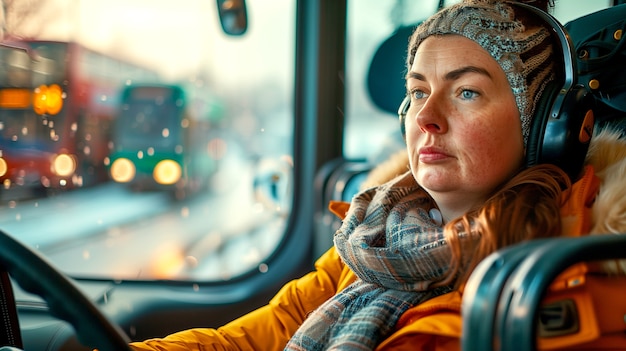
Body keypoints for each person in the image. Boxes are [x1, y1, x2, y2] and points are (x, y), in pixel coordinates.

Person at [129, 0, 626, 350]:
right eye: (417, 91)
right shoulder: (372, 240)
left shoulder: (580, 283)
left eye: (466, 92)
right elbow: (245, 341)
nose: (426, 117)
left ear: (548, 128)